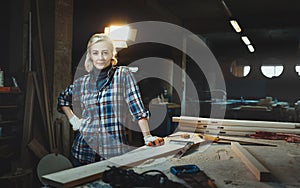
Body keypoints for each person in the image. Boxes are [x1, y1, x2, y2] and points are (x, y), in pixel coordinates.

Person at [57, 33, 164, 167]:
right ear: (90, 55)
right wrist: (73, 119)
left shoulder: (122, 75)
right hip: (83, 153)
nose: (100, 57)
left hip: (113, 153)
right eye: (95, 53)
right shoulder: (82, 83)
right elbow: (63, 99)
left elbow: (136, 107)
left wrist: (147, 136)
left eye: (105, 52)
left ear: (111, 54)